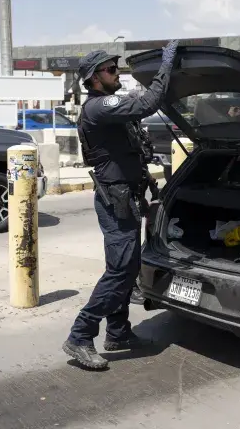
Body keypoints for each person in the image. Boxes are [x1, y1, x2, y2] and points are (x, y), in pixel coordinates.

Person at [62, 39, 180, 370]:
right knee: (121, 269)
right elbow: (147, 103)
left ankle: (118, 331)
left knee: (126, 267)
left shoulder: (107, 105)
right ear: (94, 78)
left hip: (125, 195)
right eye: (112, 69)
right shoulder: (99, 107)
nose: (118, 73)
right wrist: (166, 66)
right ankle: (81, 334)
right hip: (116, 199)